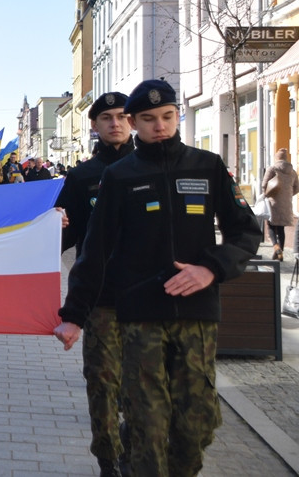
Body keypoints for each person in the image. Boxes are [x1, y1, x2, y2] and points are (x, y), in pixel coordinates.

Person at [54, 79, 261, 477]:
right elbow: (93, 250)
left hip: (197, 312)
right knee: (146, 424)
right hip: (139, 314)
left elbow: (245, 232)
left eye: (167, 117)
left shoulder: (207, 166)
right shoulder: (119, 176)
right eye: (149, 119)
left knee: (196, 424)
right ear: (136, 122)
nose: (160, 126)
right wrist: (74, 315)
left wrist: (212, 268)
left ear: (178, 116)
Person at [52, 92, 133, 477]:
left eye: (121, 116)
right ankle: (108, 462)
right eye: (106, 118)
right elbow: (64, 238)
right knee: (103, 386)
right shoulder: (82, 176)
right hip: (101, 297)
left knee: (146, 391)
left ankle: (135, 452)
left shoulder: (154, 168)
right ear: (95, 125)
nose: (115, 123)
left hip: (153, 299)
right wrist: (53, 228)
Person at [262, 148, 298, 261]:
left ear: (277, 158)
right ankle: (280, 253)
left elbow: (264, 184)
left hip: (273, 202)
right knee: (281, 228)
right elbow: (297, 188)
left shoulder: (273, 169)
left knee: (271, 226)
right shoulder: (292, 172)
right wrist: (287, 195)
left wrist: (267, 194)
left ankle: (276, 247)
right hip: (286, 203)